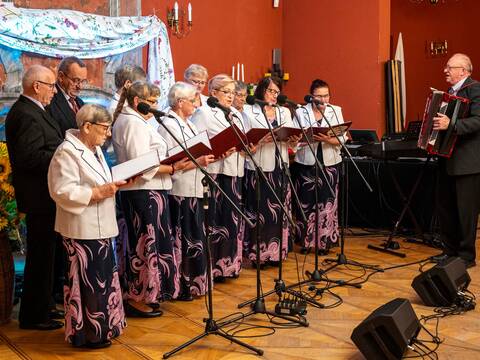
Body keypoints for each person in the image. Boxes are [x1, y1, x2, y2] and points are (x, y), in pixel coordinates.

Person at [48, 104, 129, 348]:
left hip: (100, 225)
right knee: (88, 283)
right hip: (82, 228)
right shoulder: (66, 152)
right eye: (104, 128)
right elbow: (60, 190)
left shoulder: (93, 149)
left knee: (103, 281)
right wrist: (97, 192)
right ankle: (87, 333)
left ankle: (103, 328)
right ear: (86, 126)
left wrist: (113, 184)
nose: (107, 134)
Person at [112, 81, 189, 316]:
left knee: (150, 244)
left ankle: (149, 293)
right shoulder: (132, 123)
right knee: (143, 245)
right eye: (152, 101)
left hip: (151, 191)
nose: (156, 106)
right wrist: (174, 168)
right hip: (141, 192)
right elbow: (142, 164)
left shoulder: (138, 121)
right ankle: (137, 296)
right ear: (137, 102)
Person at [5, 65, 63, 330]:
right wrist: (64, 155)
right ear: (36, 86)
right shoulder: (25, 113)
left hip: (46, 194)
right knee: (40, 256)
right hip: (39, 195)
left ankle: (44, 306)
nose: (54, 91)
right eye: (51, 85)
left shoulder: (36, 110)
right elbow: (29, 157)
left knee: (46, 255)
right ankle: (33, 315)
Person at [158, 82, 215, 298]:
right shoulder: (168, 124)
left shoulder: (188, 122)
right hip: (180, 188)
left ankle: (196, 282)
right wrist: (198, 160)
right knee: (184, 237)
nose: (196, 104)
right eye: (193, 100)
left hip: (195, 185)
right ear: (180, 102)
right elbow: (173, 161)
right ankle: (183, 284)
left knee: (196, 235)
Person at [191, 74, 247, 281]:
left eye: (233, 92)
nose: (231, 96)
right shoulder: (203, 113)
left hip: (234, 170)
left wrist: (247, 146)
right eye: (226, 92)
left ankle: (230, 264)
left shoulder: (236, 114)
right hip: (214, 172)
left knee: (231, 219)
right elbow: (196, 144)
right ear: (213, 93)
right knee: (215, 219)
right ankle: (214, 267)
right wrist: (216, 151)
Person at [242, 76, 299, 266]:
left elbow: (291, 136)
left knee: (279, 212)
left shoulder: (284, 112)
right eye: (270, 91)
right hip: (259, 167)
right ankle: (259, 255)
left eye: (276, 92)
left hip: (280, 166)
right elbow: (245, 143)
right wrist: (260, 141)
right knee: (261, 212)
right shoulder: (249, 111)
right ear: (261, 91)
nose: (274, 95)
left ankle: (277, 253)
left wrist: (293, 141)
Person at [432, 53, 480, 269]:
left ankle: (466, 256)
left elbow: (478, 121)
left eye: (450, 67)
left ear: (464, 70)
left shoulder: (476, 88)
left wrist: (450, 125)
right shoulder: (447, 94)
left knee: (466, 211)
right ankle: (449, 252)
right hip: (445, 158)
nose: (445, 70)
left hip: (467, 162)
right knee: (446, 208)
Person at [291, 79, 345, 254]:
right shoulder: (300, 112)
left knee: (326, 203)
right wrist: (307, 139)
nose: (323, 100)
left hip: (329, 162)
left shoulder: (335, 111)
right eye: (319, 96)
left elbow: (343, 138)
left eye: (326, 95)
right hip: (306, 163)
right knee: (306, 203)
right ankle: (306, 242)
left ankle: (324, 242)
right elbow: (294, 140)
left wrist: (327, 139)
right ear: (311, 97)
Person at [46, 56, 88, 137]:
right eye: (76, 80)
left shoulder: (80, 103)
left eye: (83, 81)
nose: (80, 86)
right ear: (61, 76)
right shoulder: (49, 102)